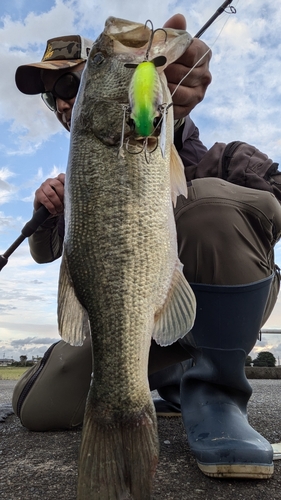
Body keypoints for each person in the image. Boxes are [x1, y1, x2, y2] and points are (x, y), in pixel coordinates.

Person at [12, 14, 281, 481]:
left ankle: (216, 392)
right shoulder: (80, 186)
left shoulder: (226, 158)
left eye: (74, 82)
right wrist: (45, 217)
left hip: (213, 323)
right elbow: (45, 255)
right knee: (37, 408)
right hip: (134, 326)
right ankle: (166, 382)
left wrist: (165, 119)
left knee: (212, 205)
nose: (61, 102)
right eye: (50, 94)